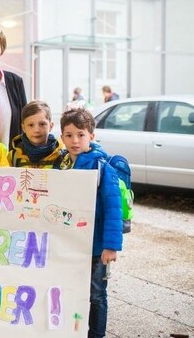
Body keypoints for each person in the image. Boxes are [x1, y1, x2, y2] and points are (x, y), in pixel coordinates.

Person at [58, 108, 123, 338]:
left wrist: (111, 245)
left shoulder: (102, 167)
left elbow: (113, 208)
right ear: (62, 137)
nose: (75, 140)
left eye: (81, 134)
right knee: (72, 291)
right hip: (70, 246)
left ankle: (96, 335)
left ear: (91, 137)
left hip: (96, 248)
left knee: (96, 295)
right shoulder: (62, 164)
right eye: (68, 135)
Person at [8, 101, 63, 168]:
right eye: (31, 125)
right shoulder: (13, 157)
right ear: (23, 127)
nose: (36, 130)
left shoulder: (61, 157)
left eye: (42, 124)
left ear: (51, 126)